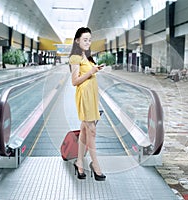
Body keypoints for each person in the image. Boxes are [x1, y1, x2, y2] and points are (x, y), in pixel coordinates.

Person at [69, 27, 106, 181]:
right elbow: (74, 81)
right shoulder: (75, 57)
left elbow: (89, 74)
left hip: (91, 96)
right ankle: (95, 165)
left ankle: (79, 163)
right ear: (77, 40)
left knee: (85, 131)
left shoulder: (87, 56)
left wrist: (95, 68)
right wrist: (91, 72)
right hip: (84, 97)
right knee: (92, 130)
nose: (88, 42)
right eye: (85, 39)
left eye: (90, 40)